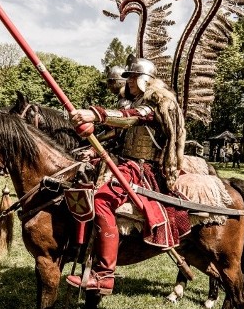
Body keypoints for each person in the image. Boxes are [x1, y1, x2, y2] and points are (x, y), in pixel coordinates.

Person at [65, 57, 185, 295]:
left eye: (131, 76)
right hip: (126, 162)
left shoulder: (156, 103)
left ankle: (105, 276)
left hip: (143, 169)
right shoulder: (138, 100)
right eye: (127, 76)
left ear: (143, 80)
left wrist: (95, 114)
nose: (127, 81)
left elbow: (133, 116)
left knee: (101, 199)